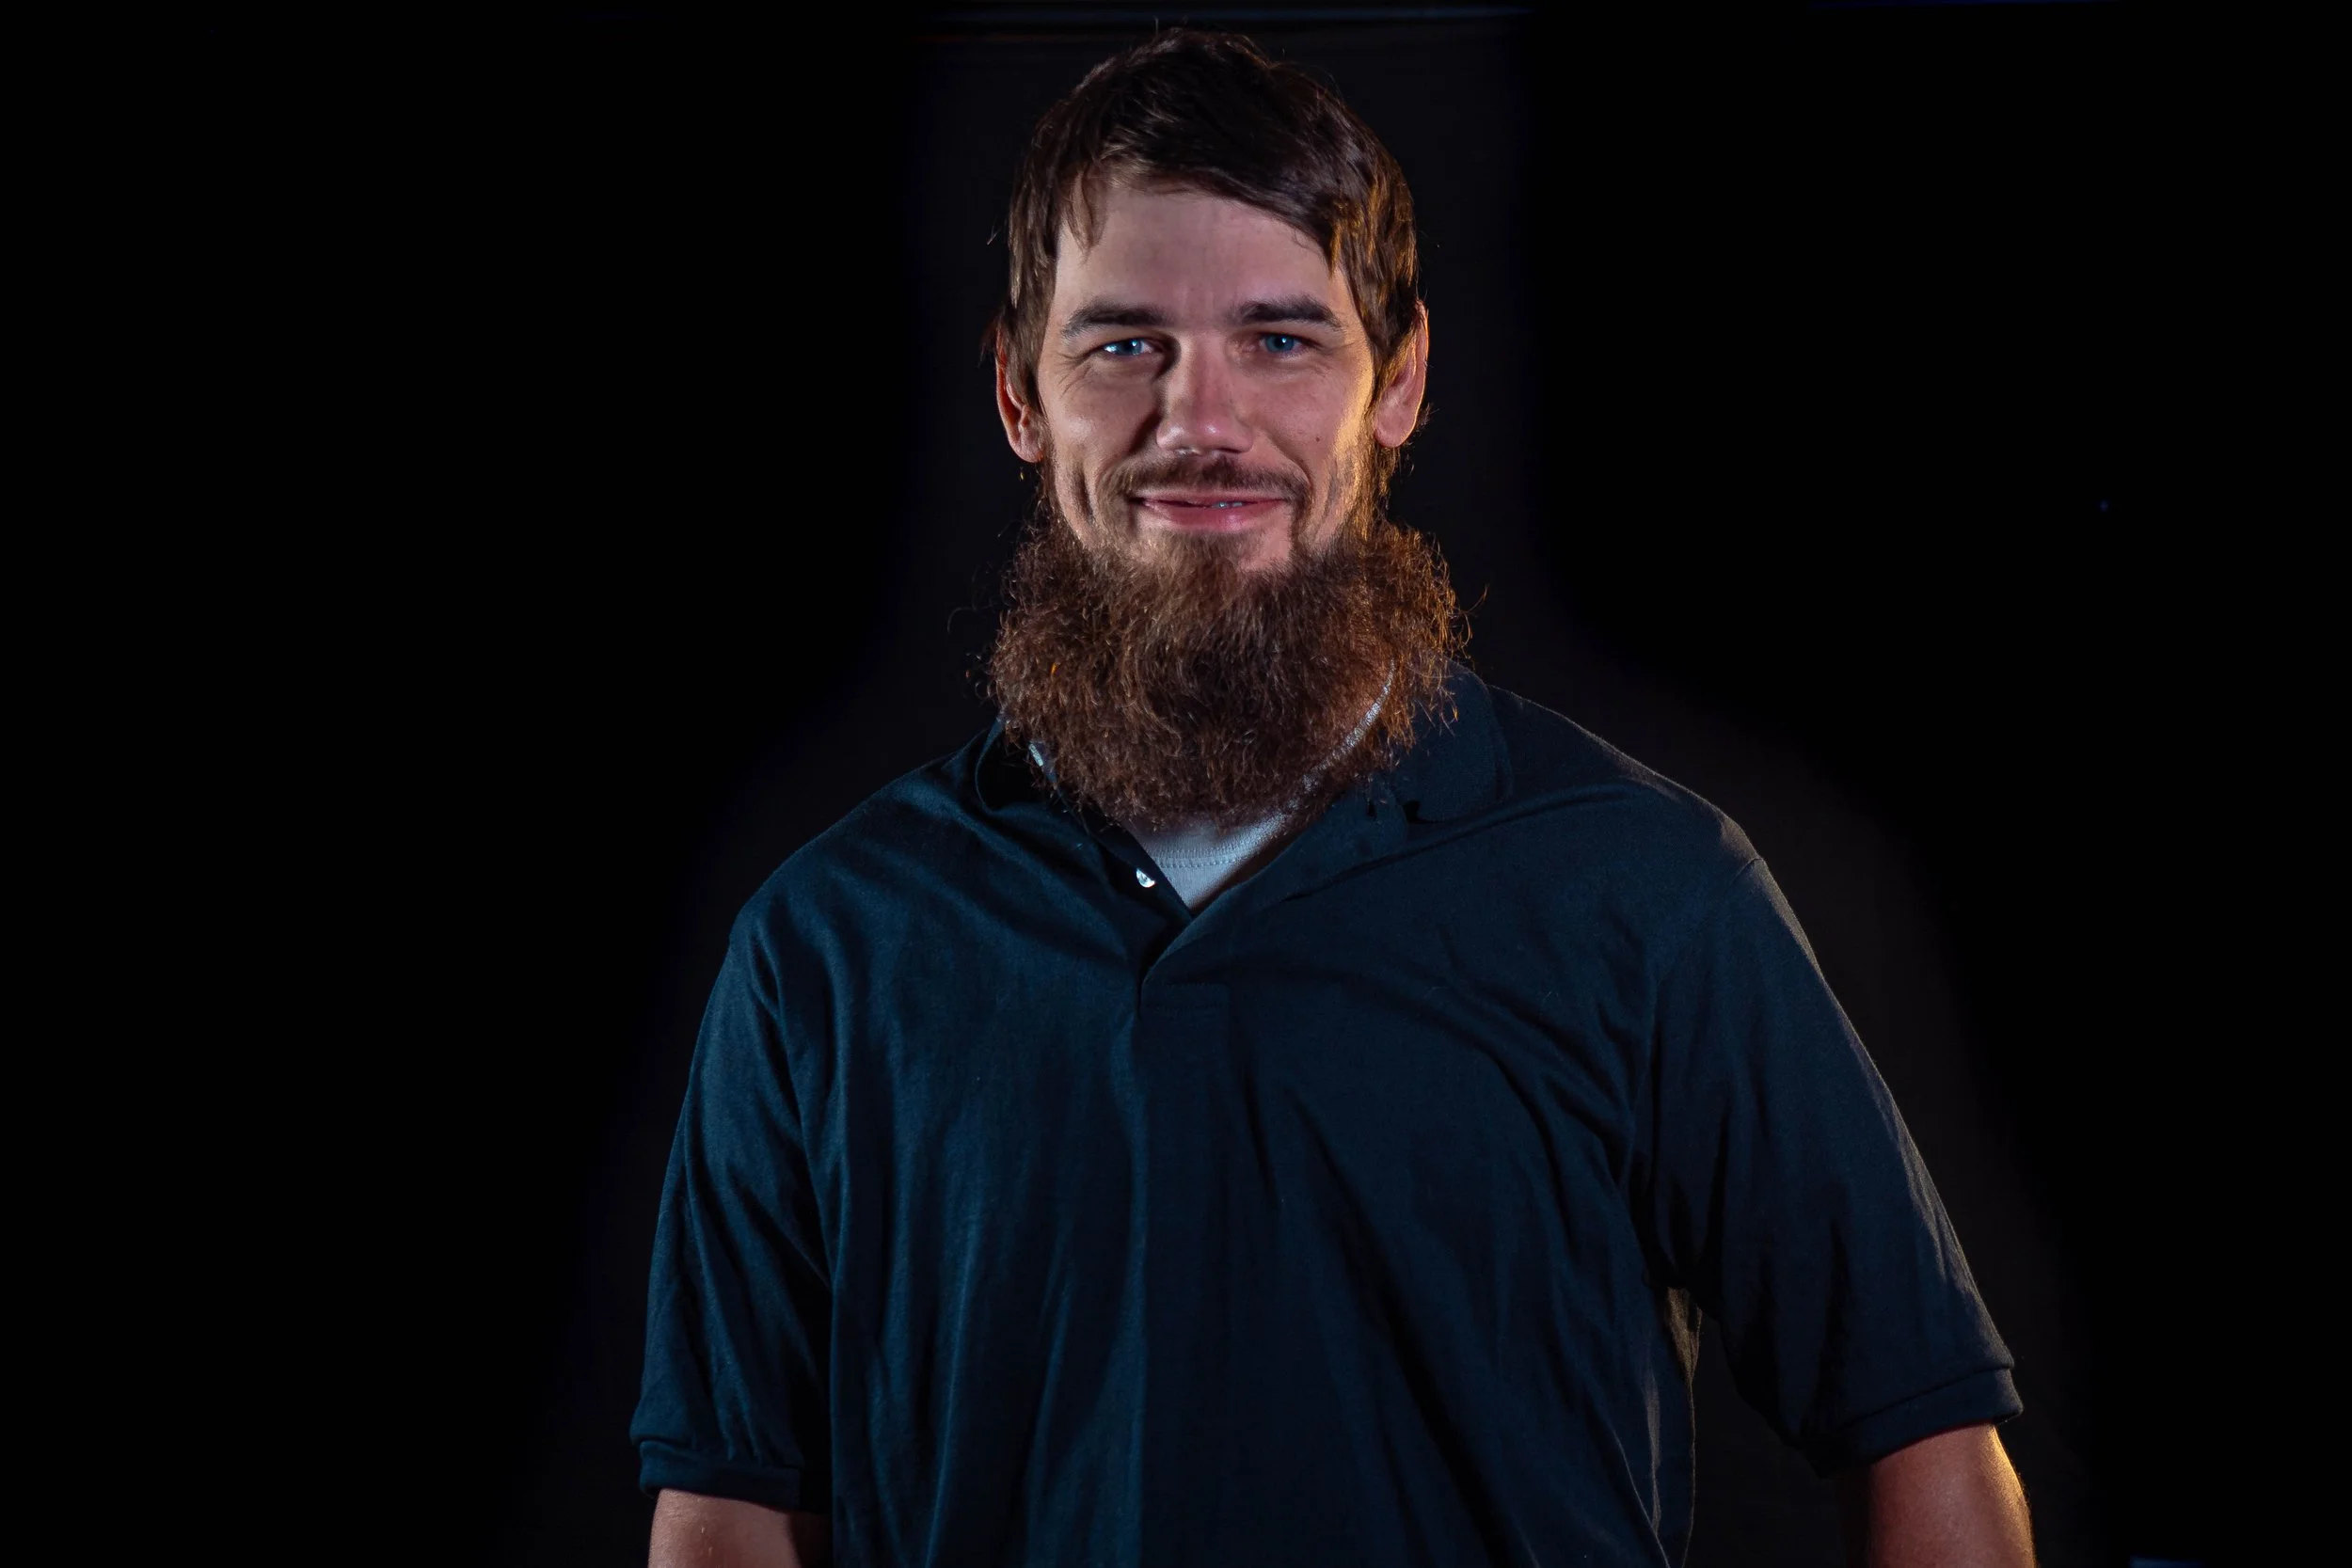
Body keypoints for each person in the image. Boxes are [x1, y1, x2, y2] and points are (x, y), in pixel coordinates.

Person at [634, 31, 2033, 1568]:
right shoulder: (827, 949)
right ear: (1017, 393)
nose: (1203, 422)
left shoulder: (1645, 888)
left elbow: (1921, 1439)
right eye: (1124, 345)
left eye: (1282, 339)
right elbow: (726, 1508)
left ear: (1402, 381)